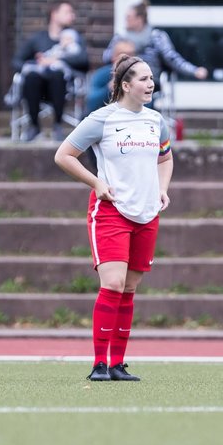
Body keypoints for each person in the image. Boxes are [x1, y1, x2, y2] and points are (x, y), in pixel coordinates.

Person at [54, 54, 173, 383]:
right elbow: (64, 155)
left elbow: (165, 158)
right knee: (114, 284)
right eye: (143, 79)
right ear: (125, 85)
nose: (151, 84)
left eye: (152, 79)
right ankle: (99, 364)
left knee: (130, 287)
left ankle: (118, 363)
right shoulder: (102, 119)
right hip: (111, 211)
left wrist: (162, 189)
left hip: (146, 213)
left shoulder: (155, 121)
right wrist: (97, 183)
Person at [12, 1, 89, 141]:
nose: (73, 16)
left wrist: (57, 61)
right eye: (68, 12)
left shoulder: (74, 38)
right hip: (37, 88)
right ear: (54, 14)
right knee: (32, 77)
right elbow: (16, 61)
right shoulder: (37, 39)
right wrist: (36, 63)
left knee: (57, 75)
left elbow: (84, 61)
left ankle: (57, 125)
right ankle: (34, 125)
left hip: (63, 88)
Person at [102, 0, 208, 82]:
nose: (126, 20)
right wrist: (117, 53)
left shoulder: (156, 36)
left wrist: (194, 70)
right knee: (99, 78)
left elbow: (172, 58)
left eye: (128, 17)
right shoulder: (121, 37)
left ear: (139, 19)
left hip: (146, 77)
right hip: (119, 75)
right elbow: (106, 57)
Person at [85, 39, 136, 116]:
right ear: (114, 57)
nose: (128, 59)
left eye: (131, 54)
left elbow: (148, 103)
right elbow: (91, 102)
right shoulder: (102, 74)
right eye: (124, 55)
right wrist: (110, 87)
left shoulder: (140, 75)